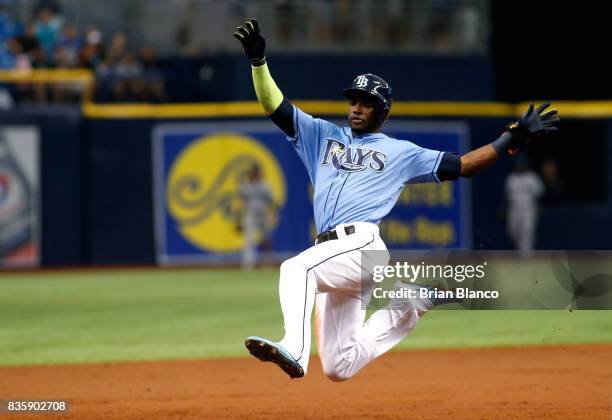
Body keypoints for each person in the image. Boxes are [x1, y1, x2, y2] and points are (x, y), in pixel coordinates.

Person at [233, 19, 559, 381]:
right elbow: (274, 106)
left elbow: (464, 165)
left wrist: (509, 138)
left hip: (359, 244)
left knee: (296, 269)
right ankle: (411, 303)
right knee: (339, 367)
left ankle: (294, 347)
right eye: (354, 100)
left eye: (367, 103)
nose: (357, 107)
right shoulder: (320, 135)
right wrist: (259, 63)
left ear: (382, 112)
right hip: (335, 254)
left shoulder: (400, 152)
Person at [239, 163, 276, 269]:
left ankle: (267, 261)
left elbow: (271, 202)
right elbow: (242, 201)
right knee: (249, 239)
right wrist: (241, 217)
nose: (254, 175)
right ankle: (248, 263)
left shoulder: (265, 185)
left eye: (255, 173)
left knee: (266, 239)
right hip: (251, 215)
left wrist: (272, 215)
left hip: (263, 214)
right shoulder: (245, 186)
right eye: (252, 173)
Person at [505, 157, 544, 254]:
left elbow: (539, 194)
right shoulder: (512, 177)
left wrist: (539, 208)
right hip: (514, 208)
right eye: (519, 164)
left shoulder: (532, 177)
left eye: (522, 164)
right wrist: (504, 209)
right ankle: (520, 250)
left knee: (527, 231)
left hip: (528, 208)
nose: (520, 166)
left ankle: (527, 255)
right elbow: (507, 195)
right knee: (512, 230)